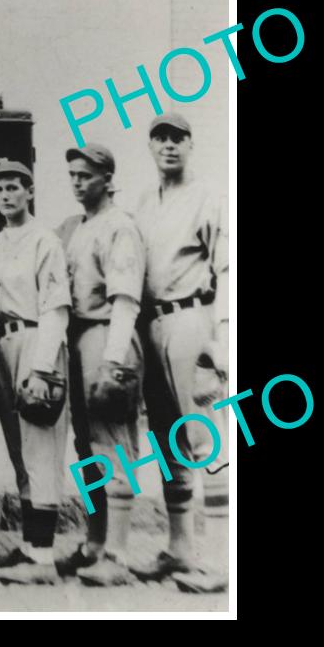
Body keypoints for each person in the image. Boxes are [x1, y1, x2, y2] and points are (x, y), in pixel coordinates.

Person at [132, 113, 229, 593]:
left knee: (205, 438)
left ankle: (220, 561)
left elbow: (227, 267)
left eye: (178, 138)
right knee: (168, 439)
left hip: (193, 316)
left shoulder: (208, 196)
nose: (169, 146)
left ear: (191, 144)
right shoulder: (146, 201)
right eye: (160, 138)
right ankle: (180, 549)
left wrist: (222, 339)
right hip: (152, 321)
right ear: (150, 147)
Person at [56, 144, 146, 586]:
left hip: (107, 335)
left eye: (86, 175)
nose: (77, 181)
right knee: (87, 448)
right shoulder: (79, 227)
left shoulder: (119, 226)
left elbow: (126, 298)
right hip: (79, 338)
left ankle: (119, 554)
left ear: (107, 179)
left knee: (114, 446)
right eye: (73, 174)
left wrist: (112, 362)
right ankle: (94, 544)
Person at [0, 158, 72, 585]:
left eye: (14, 186)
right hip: (3, 343)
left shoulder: (45, 239)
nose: (6, 193)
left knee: (41, 450)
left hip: (37, 342)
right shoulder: (1, 240)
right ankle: (29, 546)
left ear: (29, 191)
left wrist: (41, 368)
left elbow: (55, 307)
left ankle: (43, 560)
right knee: (20, 452)